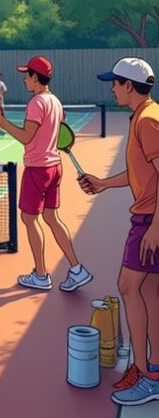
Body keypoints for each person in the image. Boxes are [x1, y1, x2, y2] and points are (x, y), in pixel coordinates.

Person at [78, 58, 159, 406]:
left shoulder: (148, 121)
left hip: (149, 220)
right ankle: (152, 369)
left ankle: (145, 374)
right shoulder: (144, 115)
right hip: (149, 217)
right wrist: (103, 184)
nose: (111, 88)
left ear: (129, 86)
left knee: (128, 287)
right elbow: (140, 173)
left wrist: (156, 226)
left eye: (115, 82)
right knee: (151, 293)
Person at [0, 56, 92, 292]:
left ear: (36, 78)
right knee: (52, 218)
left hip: (38, 169)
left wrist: (3, 123)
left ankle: (41, 275)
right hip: (55, 167)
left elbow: (27, 138)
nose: (25, 80)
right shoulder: (55, 101)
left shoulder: (36, 103)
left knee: (29, 219)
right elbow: (57, 129)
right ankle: (77, 269)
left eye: (27, 76)